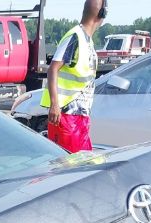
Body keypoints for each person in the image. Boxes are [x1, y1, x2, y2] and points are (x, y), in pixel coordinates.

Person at [41, 0, 107, 152]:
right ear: (102, 14)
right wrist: (54, 104)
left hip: (80, 115)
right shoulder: (75, 37)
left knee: (83, 163)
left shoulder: (86, 40)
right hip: (66, 115)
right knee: (68, 166)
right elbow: (53, 69)